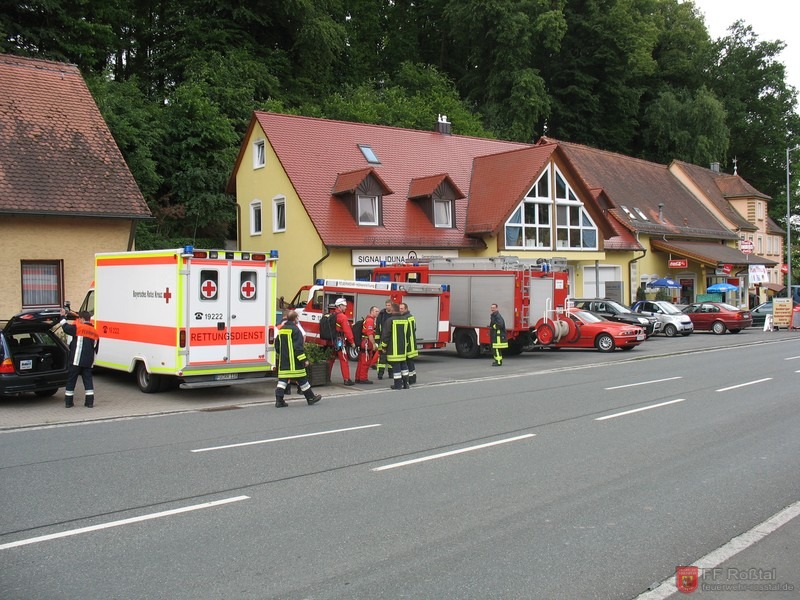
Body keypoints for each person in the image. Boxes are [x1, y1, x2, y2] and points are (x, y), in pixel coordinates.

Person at [273, 310, 321, 407]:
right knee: (303, 380)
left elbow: (277, 346)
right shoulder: (296, 330)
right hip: (295, 363)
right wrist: (304, 360)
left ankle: (279, 401)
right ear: (295, 319)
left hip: (284, 363)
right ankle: (311, 398)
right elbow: (298, 348)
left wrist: (282, 355)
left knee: (282, 382)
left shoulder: (281, 330)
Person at [59, 309, 99, 408]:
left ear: (81, 319)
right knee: (88, 381)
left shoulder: (78, 327)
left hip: (76, 360)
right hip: (88, 361)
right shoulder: (95, 333)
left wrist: (62, 316)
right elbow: (96, 349)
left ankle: (68, 403)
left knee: (71, 380)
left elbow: (65, 327)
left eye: (79, 319)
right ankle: (89, 403)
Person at [380, 302, 409, 389]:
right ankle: (406, 384)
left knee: (396, 368)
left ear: (393, 310)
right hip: (403, 349)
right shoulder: (405, 319)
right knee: (404, 366)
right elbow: (408, 334)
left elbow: (386, 336)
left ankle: (398, 385)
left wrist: (383, 347)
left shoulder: (390, 321)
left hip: (393, 350)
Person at [332, 297, 356, 385]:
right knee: (344, 359)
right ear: (340, 306)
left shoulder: (332, 315)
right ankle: (346, 379)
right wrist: (352, 342)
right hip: (339, 341)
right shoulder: (342, 317)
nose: (346, 307)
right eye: (345, 306)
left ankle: (327, 378)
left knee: (330, 360)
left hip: (331, 340)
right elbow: (347, 331)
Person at [355, 305, 380, 384]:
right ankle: (363, 378)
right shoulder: (370, 321)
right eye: (376, 311)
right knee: (366, 361)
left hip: (364, 342)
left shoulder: (368, 319)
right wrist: (373, 344)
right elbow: (370, 334)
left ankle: (358, 377)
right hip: (366, 343)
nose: (377, 313)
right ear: (372, 311)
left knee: (361, 361)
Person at [399, 302, 418, 384]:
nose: (400, 310)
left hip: (407, 344)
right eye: (399, 308)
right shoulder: (411, 317)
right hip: (412, 343)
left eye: (402, 309)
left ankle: (409, 379)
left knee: (407, 362)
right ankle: (413, 378)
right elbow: (415, 328)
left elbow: (404, 332)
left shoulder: (404, 318)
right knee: (411, 362)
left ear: (406, 309)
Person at [374, 299, 393, 380]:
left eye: (389, 305)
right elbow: (378, 327)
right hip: (382, 338)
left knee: (391, 358)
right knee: (382, 358)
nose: (387, 307)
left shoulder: (395, 314)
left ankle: (391, 374)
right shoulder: (381, 314)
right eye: (386, 305)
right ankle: (380, 374)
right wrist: (377, 341)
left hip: (392, 339)